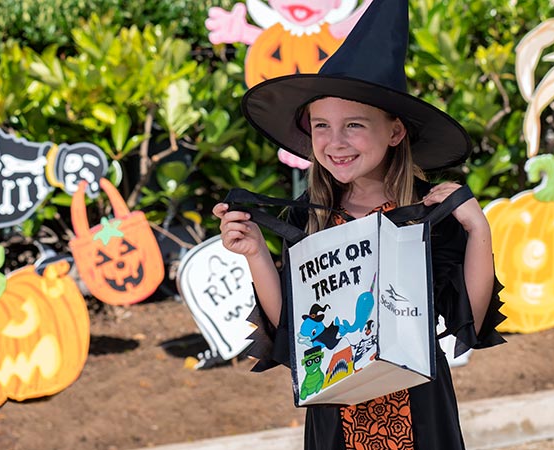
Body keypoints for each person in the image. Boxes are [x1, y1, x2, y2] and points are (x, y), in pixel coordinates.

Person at [213, 0, 506, 448]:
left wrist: (477, 231)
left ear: (394, 131)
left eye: (354, 125)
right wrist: (255, 253)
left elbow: (473, 316)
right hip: (336, 415)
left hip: (420, 413)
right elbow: (294, 331)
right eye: (321, 126)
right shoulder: (308, 216)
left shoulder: (426, 214)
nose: (335, 142)